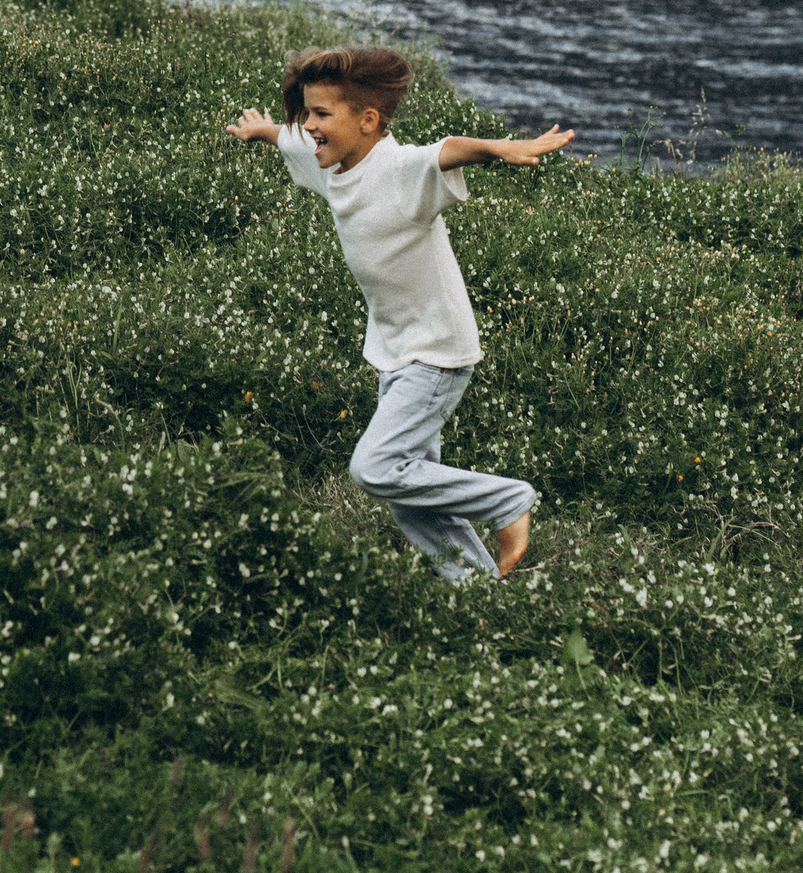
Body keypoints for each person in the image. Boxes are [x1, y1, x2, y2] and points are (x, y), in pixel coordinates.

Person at [227, 47, 573, 583]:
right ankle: (480, 592)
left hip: (435, 351)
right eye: (307, 112)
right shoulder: (329, 159)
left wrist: (499, 147)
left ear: (368, 122)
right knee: (409, 491)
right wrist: (264, 130)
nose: (309, 126)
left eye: (321, 115)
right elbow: (290, 140)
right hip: (395, 350)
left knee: (376, 469)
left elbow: (445, 152)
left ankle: (508, 502)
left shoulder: (399, 169)